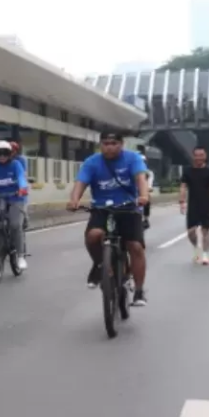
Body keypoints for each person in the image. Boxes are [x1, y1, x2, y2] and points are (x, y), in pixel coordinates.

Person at [67, 131, 150, 307]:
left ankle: (139, 291)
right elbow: (80, 183)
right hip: (101, 208)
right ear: (100, 145)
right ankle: (99, 265)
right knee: (93, 236)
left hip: (128, 208)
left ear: (121, 144)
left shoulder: (133, 158)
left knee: (135, 246)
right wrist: (74, 200)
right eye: (105, 143)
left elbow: (140, 178)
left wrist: (143, 196)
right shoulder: (92, 162)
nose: (109, 147)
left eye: (113, 143)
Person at [0, 140, 29, 270]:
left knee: (14, 224)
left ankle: (20, 255)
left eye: (5, 153)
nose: (2, 156)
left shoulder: (16, 164)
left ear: (10, 154)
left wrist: (22, 187)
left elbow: (21, 177)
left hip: (15, 198)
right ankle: (1, 241)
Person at [179, 146, 209, 265]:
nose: (199, 158)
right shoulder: (187, 171)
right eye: (197, 155)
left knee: (205, 230)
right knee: (191, 231)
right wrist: (182, 201)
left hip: (206, 204)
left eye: (201, 155)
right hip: (193, 204)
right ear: (193, 156)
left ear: (205, 157)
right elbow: (183, 186)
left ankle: (205, 255)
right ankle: (196, 249)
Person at [10, 141, 30, 232]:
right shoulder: (0, 160)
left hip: (17, 185)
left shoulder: (20, 160)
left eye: (12, 150)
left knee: (22, 202)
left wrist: (21, 185)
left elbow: (23, 174)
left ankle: (24, 217)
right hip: (5, 186)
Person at [141, 154, 154, 229]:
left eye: (143, 162)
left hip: (144, 192)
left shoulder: (149, 173)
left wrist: (149, 188)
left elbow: (149, 184)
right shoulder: (131, 170)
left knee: (147, 199)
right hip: (132, 192)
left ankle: (146, 219)